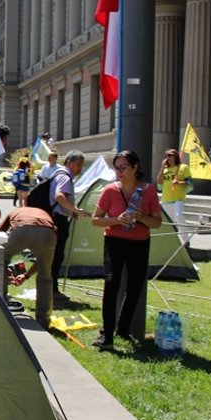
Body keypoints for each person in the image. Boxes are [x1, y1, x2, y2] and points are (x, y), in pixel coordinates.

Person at [90, 150, 162, 350]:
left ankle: (123, 328)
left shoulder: (148, 191)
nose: (119, 172)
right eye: (116, 167)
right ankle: (107, 335)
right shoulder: (110, 191)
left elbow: (157, 223)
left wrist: (140, 217)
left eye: (124, 167)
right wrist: (117, 220)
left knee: (135, 287)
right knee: (111, 284)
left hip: (139, 242)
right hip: (114, 242)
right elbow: (96, 219)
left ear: (135, 168)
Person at [0, 207, 57, 329]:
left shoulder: (15, 211)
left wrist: (4, 264)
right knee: (45, 276)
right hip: (48, 232)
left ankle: (0, 310)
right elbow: (41, 262)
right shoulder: (44, 214)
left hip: (21, 229)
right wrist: (26, 275)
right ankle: (43, 320)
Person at [49, 150, 88, 297]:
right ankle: (53, 288)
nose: (80, 169)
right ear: (69, 162)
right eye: (78, 165)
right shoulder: (65, 177)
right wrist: (75, 210)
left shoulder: (58, 174)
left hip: (54, 217)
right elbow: (59, 196)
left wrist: (71, 211)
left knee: (53, 254)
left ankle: (50, 287)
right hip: (58, 220)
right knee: (57, 254)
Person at [158, 148, 192, 242]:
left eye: (170, 155)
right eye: (166, 156)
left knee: (179, 215)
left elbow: (190, 183)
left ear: (175, 156)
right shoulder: (165, 169)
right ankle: (173, 241)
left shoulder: (183, 167)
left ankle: (186, 240)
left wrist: (179, 182)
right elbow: (159, 183)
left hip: (178, 198)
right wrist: (162, 168)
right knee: (170, 221)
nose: (168, 158)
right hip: (166, 198)